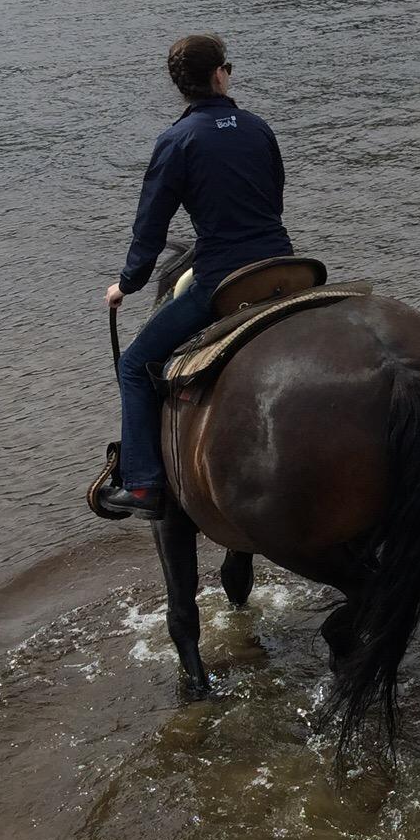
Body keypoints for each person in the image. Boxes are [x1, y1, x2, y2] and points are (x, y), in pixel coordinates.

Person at [97, 34, 293, 517]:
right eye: (228, 67)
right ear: (220, 74)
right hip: (285, 267)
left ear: (181, 86)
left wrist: (126, 285)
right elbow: (274, 199)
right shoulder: (258, 127)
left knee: (135, 366)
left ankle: (142, 484)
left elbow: (150, 227)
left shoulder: (177, 141)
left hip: (225, 278)